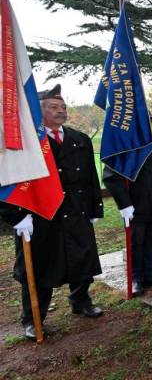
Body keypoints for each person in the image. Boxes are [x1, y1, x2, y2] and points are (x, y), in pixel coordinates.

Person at [1, 85, 104, 340]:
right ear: (39, 111)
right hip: (41, 218)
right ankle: (32, 318)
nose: (61, 111)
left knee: (82, 261)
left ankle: (81, 300)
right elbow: (8, 181)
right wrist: (17, 216)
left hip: (76, 212)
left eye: (63, 107)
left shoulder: (79, 139)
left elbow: (91, 178)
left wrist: (94, 208)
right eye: (53, 107)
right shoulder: (26, 144)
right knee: (39, 269)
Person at [103, 114, 152, 296]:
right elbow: (111, 177)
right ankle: (136, 278)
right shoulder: (126, 147)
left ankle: (149, 273)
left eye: (150, 121)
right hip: (136, 206)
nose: (147, 124)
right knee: (136, 243)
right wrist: (124, 204)